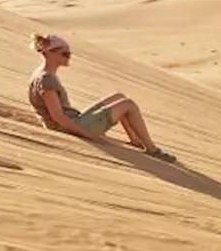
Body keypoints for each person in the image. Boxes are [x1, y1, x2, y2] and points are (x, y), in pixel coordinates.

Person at [26, 33, 175, 162]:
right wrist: (89, 135)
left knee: (119, 96)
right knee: (128, 105)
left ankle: (135, 141)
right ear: (50, 53)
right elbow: (58, 117)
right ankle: (152, 149)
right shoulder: (46, 80)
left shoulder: (42, 74)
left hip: (73, 120)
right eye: (65, 54)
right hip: (68, 127)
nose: (69, 57)